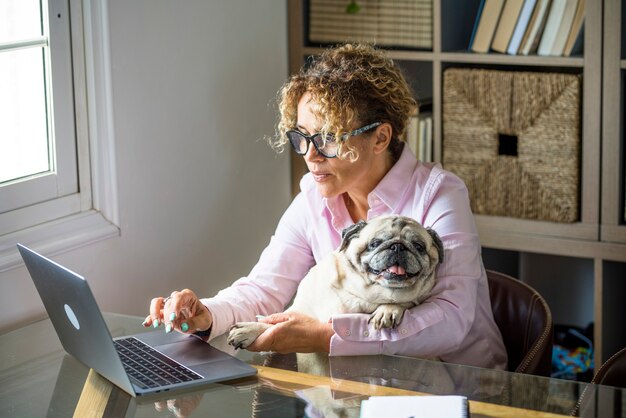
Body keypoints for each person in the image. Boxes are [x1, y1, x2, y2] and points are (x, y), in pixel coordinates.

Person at [143, 43, 508, 370]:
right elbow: (264, 289)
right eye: (302, 136)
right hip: (359, 388)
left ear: (381, 136)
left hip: (464, 389)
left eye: (329, 138)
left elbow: (451, 320)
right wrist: (206, 314)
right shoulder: (313, 199)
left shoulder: (440, 195)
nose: (310, 155)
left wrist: (324, 336)